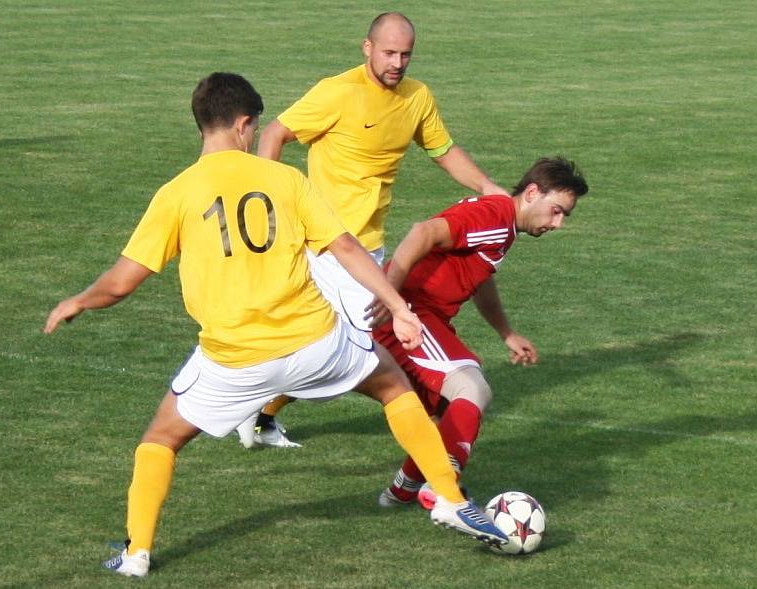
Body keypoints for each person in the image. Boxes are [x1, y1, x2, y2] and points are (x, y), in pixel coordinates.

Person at [43, 72, 509, 578]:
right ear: (244, 124)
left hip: (234, 360)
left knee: (160, 439)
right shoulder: (286, 180)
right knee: (393, 385)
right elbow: (347, 248)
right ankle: (447, 495)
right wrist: (398, 306)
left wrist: (79, 301)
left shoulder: (176, 193)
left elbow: (122, 282)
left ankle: (136, 554)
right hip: (316, 342)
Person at [242, 11, 509, 447]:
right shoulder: (337, 92)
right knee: (367, 351)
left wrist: (486, 186)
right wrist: (271, 203)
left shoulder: (416, 97)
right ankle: (427, 434)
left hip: (370, 248)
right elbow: (274, 134)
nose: (397, 63)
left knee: (330, 346)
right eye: (389, 52)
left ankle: (257, 409)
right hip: (326, 246)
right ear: (367, 48)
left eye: (406, 54)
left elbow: (442, 149)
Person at [369, 157, 589, 508]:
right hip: (409, 315)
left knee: (448, 413)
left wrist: (506, 332)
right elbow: (421, 232)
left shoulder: (504, 227)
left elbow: (480, 275)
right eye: (556, 211)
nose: (558, 223)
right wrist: (391, 300)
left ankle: (402, 492)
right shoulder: (497, 217)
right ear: (532, 193)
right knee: (471, 389)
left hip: (419, 316)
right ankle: (443, 492)